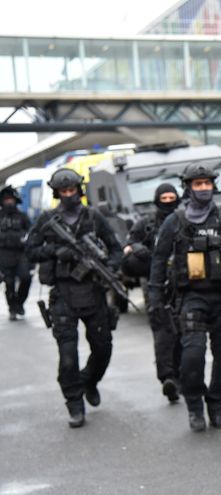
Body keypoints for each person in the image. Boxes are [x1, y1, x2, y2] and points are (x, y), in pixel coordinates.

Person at [148, 164, 221, 432]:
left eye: (207, 183)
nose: (204, 188)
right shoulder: (176, 220)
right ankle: (195, 406)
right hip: (191, 297)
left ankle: (218, 407)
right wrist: (154, 294)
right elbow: (159, 258)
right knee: (192, 356)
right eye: (198, 184)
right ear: (189, 187)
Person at [26, 168, 122, 428]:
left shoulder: (93, 217)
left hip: (93, 292)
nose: (69, 196)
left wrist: (110, 269)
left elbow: (115, 248)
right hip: (64, 296)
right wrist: (57, 251)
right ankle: (74, 403)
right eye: (64, 192)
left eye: (72, 191)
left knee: (103, 348)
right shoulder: (48, 220)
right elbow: (30, 250)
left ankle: (89, 380)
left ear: (79, 190)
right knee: (68, 356)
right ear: (57, 193)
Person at [122, 183, 182, 403]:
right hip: (155, 283)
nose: (167, 202)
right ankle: (168, 378)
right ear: (157, 200)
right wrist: (139, 250)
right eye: (163, 198)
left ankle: (181, 374)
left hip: (184, 283)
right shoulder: (146, 223)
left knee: (184, 331)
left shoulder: (184, 219)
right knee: (163, 330)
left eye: (171, 197)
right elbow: (128, 244)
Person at [0, 185, 32, 321]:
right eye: (6, 199)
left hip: (20, 254)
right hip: (3, 254)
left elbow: (32, 234)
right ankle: (12, 307)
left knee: (26, 278)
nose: (9, 202)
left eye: (10, 199)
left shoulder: (22, 216)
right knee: (9, 283)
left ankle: (20, 303)